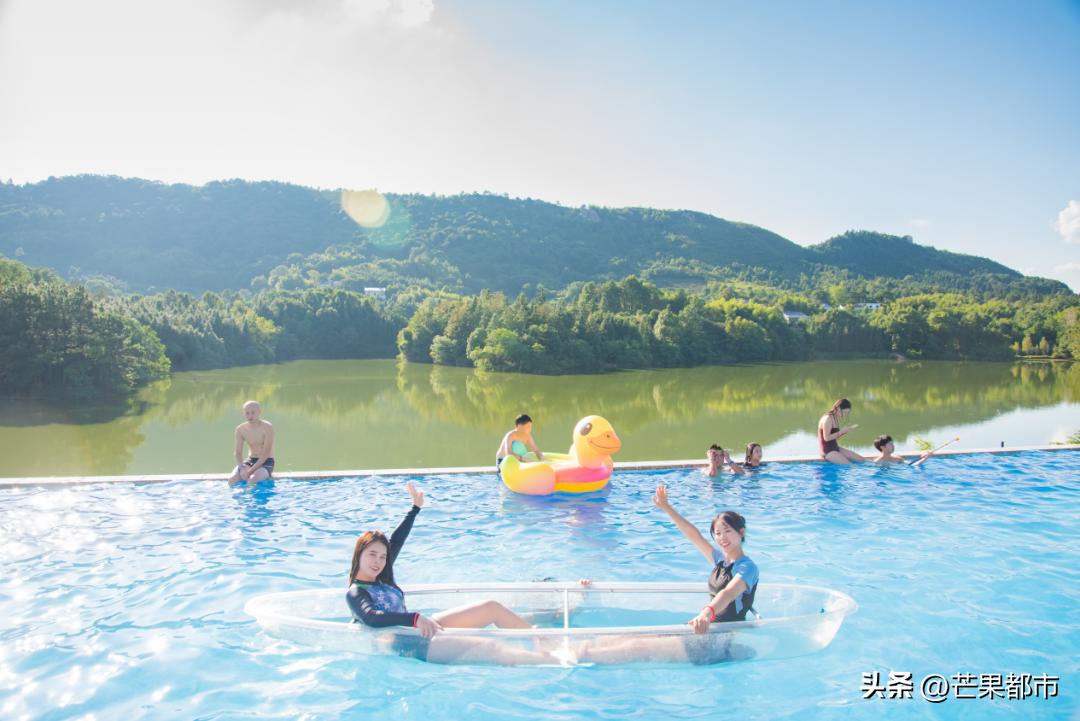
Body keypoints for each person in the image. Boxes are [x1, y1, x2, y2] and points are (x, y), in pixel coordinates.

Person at [346, 482, 559, 665]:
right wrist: (415, 618)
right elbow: (371, 618)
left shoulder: (382, 575)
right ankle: (548, 661)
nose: (378, 561)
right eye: (372, 554)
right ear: (359, 554)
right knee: (488, 647)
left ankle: (538, 637)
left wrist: (415, 508)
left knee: (490, 607)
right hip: (402, 644)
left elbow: (396, 541)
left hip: (417, 629)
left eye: (382, 557)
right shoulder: (356, 592)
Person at [574, 485, 759, 665]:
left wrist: (705, 613)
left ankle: (577, 657)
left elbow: (728, 593)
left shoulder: (747, 567)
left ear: (741, 532)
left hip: (714, 643)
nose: (722, 538)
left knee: (638, 647)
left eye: (727, 531)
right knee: (630, 637)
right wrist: (666, 507)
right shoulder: (721, 561)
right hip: (703, 630)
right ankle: (582, 648)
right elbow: (695, 536)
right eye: (717, 533)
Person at [228, 400, 275, 482]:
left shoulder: (267, 427)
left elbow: (266, 453)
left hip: (266, 461)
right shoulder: (240, 429)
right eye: (247, 413)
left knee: (252, 480)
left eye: (253, 413)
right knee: (232, 480)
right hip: (250, 460)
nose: (250, 416)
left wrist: (249, 472)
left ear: (259, 412)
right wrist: (242, 468)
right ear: (243, 413)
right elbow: (237, 452)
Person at [817, 398, 866, 464]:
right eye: (845, 412)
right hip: (827, 451)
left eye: (847, 413)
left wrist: (845, 432)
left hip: (835, 448)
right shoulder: (828, 419)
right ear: (838, 409)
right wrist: (841, 431)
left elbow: (835, 437)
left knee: (862, 460)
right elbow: (826, 438)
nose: (845, 415)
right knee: (850, 466)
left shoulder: (835, 417)